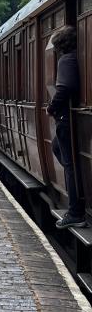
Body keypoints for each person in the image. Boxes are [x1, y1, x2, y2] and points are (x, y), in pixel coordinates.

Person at [47, 26, 86, 228]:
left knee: (70, 166)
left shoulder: (66, 60)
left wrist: (51, 108)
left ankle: (75, 212)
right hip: (66, 118)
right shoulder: (73, 58)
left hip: (65, 119)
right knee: (56, 148)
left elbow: (64, 88)